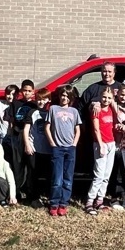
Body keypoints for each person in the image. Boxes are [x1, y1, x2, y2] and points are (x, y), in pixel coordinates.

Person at [45, 85, 82, 216]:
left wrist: (74, 144)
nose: (64, 98)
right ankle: (54, 203)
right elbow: (47, 127)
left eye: (67, 96)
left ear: (71, 98)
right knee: (57, 178)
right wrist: (52, 143)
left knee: (68, 178)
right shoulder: (53, 109)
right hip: (57, 148)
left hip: (70, 148)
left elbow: (77, 130)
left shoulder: (74, 112)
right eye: (62, 95)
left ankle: (63, 203)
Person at [85, 87, 117, 215]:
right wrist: (100, 144)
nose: (106, 100)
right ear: (100, 96)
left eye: (109, 98)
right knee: (98, 174)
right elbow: (96, 129)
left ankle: (100, 200)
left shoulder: (111, 109)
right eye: (104, 97)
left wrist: (114, 104)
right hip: (101, 144)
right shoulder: (96, 110)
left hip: (111, 144)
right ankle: (89, 201)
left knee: (106, 175)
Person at [7, 79, 37, 199]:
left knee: (30, 166)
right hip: (17, 136)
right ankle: (16, 191)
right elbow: (11, 121)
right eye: (24, 90)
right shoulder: (15, 104)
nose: (27, 93)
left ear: (33, 92)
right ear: (21, 91)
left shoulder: (34, 105)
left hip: (30, 137)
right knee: (17, 165)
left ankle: (29, 191)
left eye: (29, 91)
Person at [22, 88, 52, 206]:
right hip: (34, 149)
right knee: (33, 174)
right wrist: (27, 145)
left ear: (49, 100)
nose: (41, 102)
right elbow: (26, 130)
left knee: (49, 175)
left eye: (44, 99)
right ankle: (33, 197)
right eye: (39, 99)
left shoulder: (52, 112)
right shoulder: (32, 113)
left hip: (48, 149)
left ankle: (48, 196)